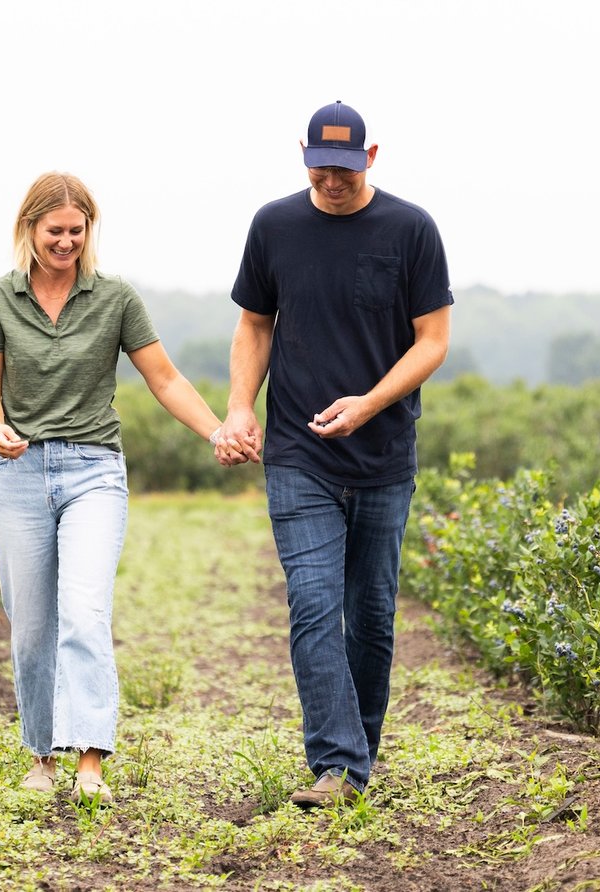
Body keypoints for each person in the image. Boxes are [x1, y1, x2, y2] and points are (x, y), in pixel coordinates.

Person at [218, 100, 453, 808]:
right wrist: (239, 406)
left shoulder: (411, 230)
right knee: (315, 605)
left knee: (372, 614)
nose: (332, 182)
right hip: (297, 452)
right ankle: (338, 767)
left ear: (371, 158)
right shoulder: (275, 225)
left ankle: (357, 759)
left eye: (345, 171)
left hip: (383, 456)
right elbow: (255, 325)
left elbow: (433, 341)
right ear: (303, 156)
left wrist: (370, 403)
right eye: (320, 169)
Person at [0, 171, 228, 805]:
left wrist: (217, 431)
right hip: (20, 471)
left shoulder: (116, 299)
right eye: (54, 231)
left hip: (93, 472)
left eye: (76, 232)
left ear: (90, 230)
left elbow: (163, 380)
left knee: (84, 613)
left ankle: (90, 762)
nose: (66, 243)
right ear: (29, 229)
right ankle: (40, 755)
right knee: (31, 626)